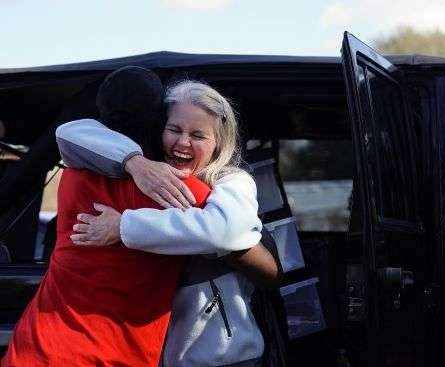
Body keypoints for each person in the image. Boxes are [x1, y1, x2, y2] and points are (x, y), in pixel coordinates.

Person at [2, 68, 277, 366]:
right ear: (158, 126)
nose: (183, 142)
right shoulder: (183, 192)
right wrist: (136, 163)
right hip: (121, 355)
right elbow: (269, 268)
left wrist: (123, 225)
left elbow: (68, 134)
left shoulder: (74, 176)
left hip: (35, 347)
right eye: (174, 129)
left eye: (197, 135)